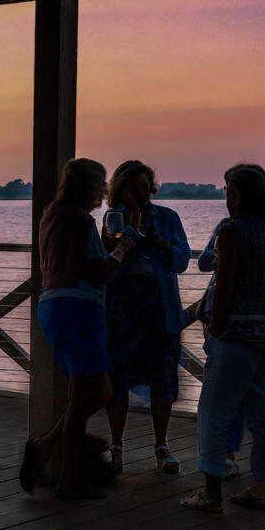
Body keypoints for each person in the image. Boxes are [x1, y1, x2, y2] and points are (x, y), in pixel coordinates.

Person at [22, 158, 127, 500]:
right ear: (92, 188)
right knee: (92, 394)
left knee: (90, 393)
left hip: (53, 304)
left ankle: (46, 446)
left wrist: (105, 248)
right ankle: (67, 477)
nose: (104, 191)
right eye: (101, 185)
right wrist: (123, 249)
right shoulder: (81, 221)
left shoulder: (51, 215)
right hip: (78, 308)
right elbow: (97, 272)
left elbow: (74, 260)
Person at [182, 163, 265, 513]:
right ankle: (261, 487)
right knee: (264, 416)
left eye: (229, 191)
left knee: (214, 411)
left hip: (235, 336)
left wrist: (217, 325)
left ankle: (211, 492)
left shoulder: (233, 231)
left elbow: (225, 284)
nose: (227, 198)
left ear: (240, 195)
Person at [99, 160, 192, 474]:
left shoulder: (167, 217)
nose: (141, 193)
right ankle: (116, 445)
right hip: (121, 307)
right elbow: (105, 256)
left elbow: (182, 261)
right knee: (119, 376)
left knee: (162, 375)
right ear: (120, 190)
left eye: (144, 187)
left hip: (160, 307)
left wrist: (163, 245)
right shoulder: (113, 218)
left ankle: (162, 445)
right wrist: (131, 227)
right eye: (133, 188)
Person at [187, 214, 247, 476]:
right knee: (233, 394)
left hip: (230, 322)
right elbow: (203, 263)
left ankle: (223, 460)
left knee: (223, 396)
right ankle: (230, 457)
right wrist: (221, 255)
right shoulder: (226, 226)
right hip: (226, 321)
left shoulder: (235, 229)